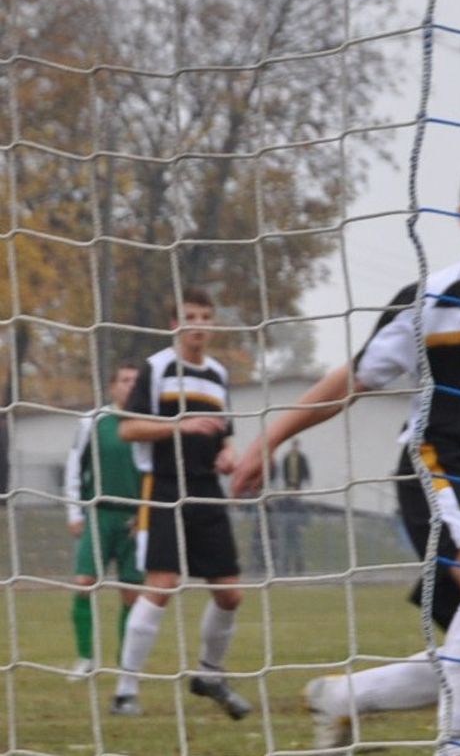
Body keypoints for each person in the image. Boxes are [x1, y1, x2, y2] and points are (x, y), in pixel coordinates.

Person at [231, 159, 460, 755]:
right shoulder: (433, 297)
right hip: (440, 463)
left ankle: (344, 696)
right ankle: (457, 745)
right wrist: (268, 440)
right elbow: (352, 380)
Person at [112, 287, 251, 720]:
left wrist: (228, 454)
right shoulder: (157, 368)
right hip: (164, 486)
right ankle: (125, 691)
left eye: (206, 317)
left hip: (207, 488)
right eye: (191, 317)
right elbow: (128, 429)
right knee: (162, 583)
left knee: (230, 594)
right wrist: (180, 425)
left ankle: (209, 675)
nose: (199, 325)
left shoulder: (218, 374)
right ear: (175, 324)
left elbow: (223, 434)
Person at [63, 363, 144, 676]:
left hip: (136, 518)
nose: (130, 385)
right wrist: (74, 511)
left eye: (136, 380)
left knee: (132, 593)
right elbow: (75, 466)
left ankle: (127, 665)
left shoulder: (149, 423)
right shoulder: (93, 421)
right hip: (99, 513)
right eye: (125, 379)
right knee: (84, 583)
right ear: (112, 386)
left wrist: (147, 515)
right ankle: (86, 659)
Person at [273, 442, 313, 576]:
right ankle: (285, 570)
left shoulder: (300, 504)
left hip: (295, 530)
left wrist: (303, 525)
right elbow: (276, 511)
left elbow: (306, 515)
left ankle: (299, 570)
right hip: (286, 529)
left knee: (297, 549)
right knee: (284, 549)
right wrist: (279, 523)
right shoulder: (283, 502)